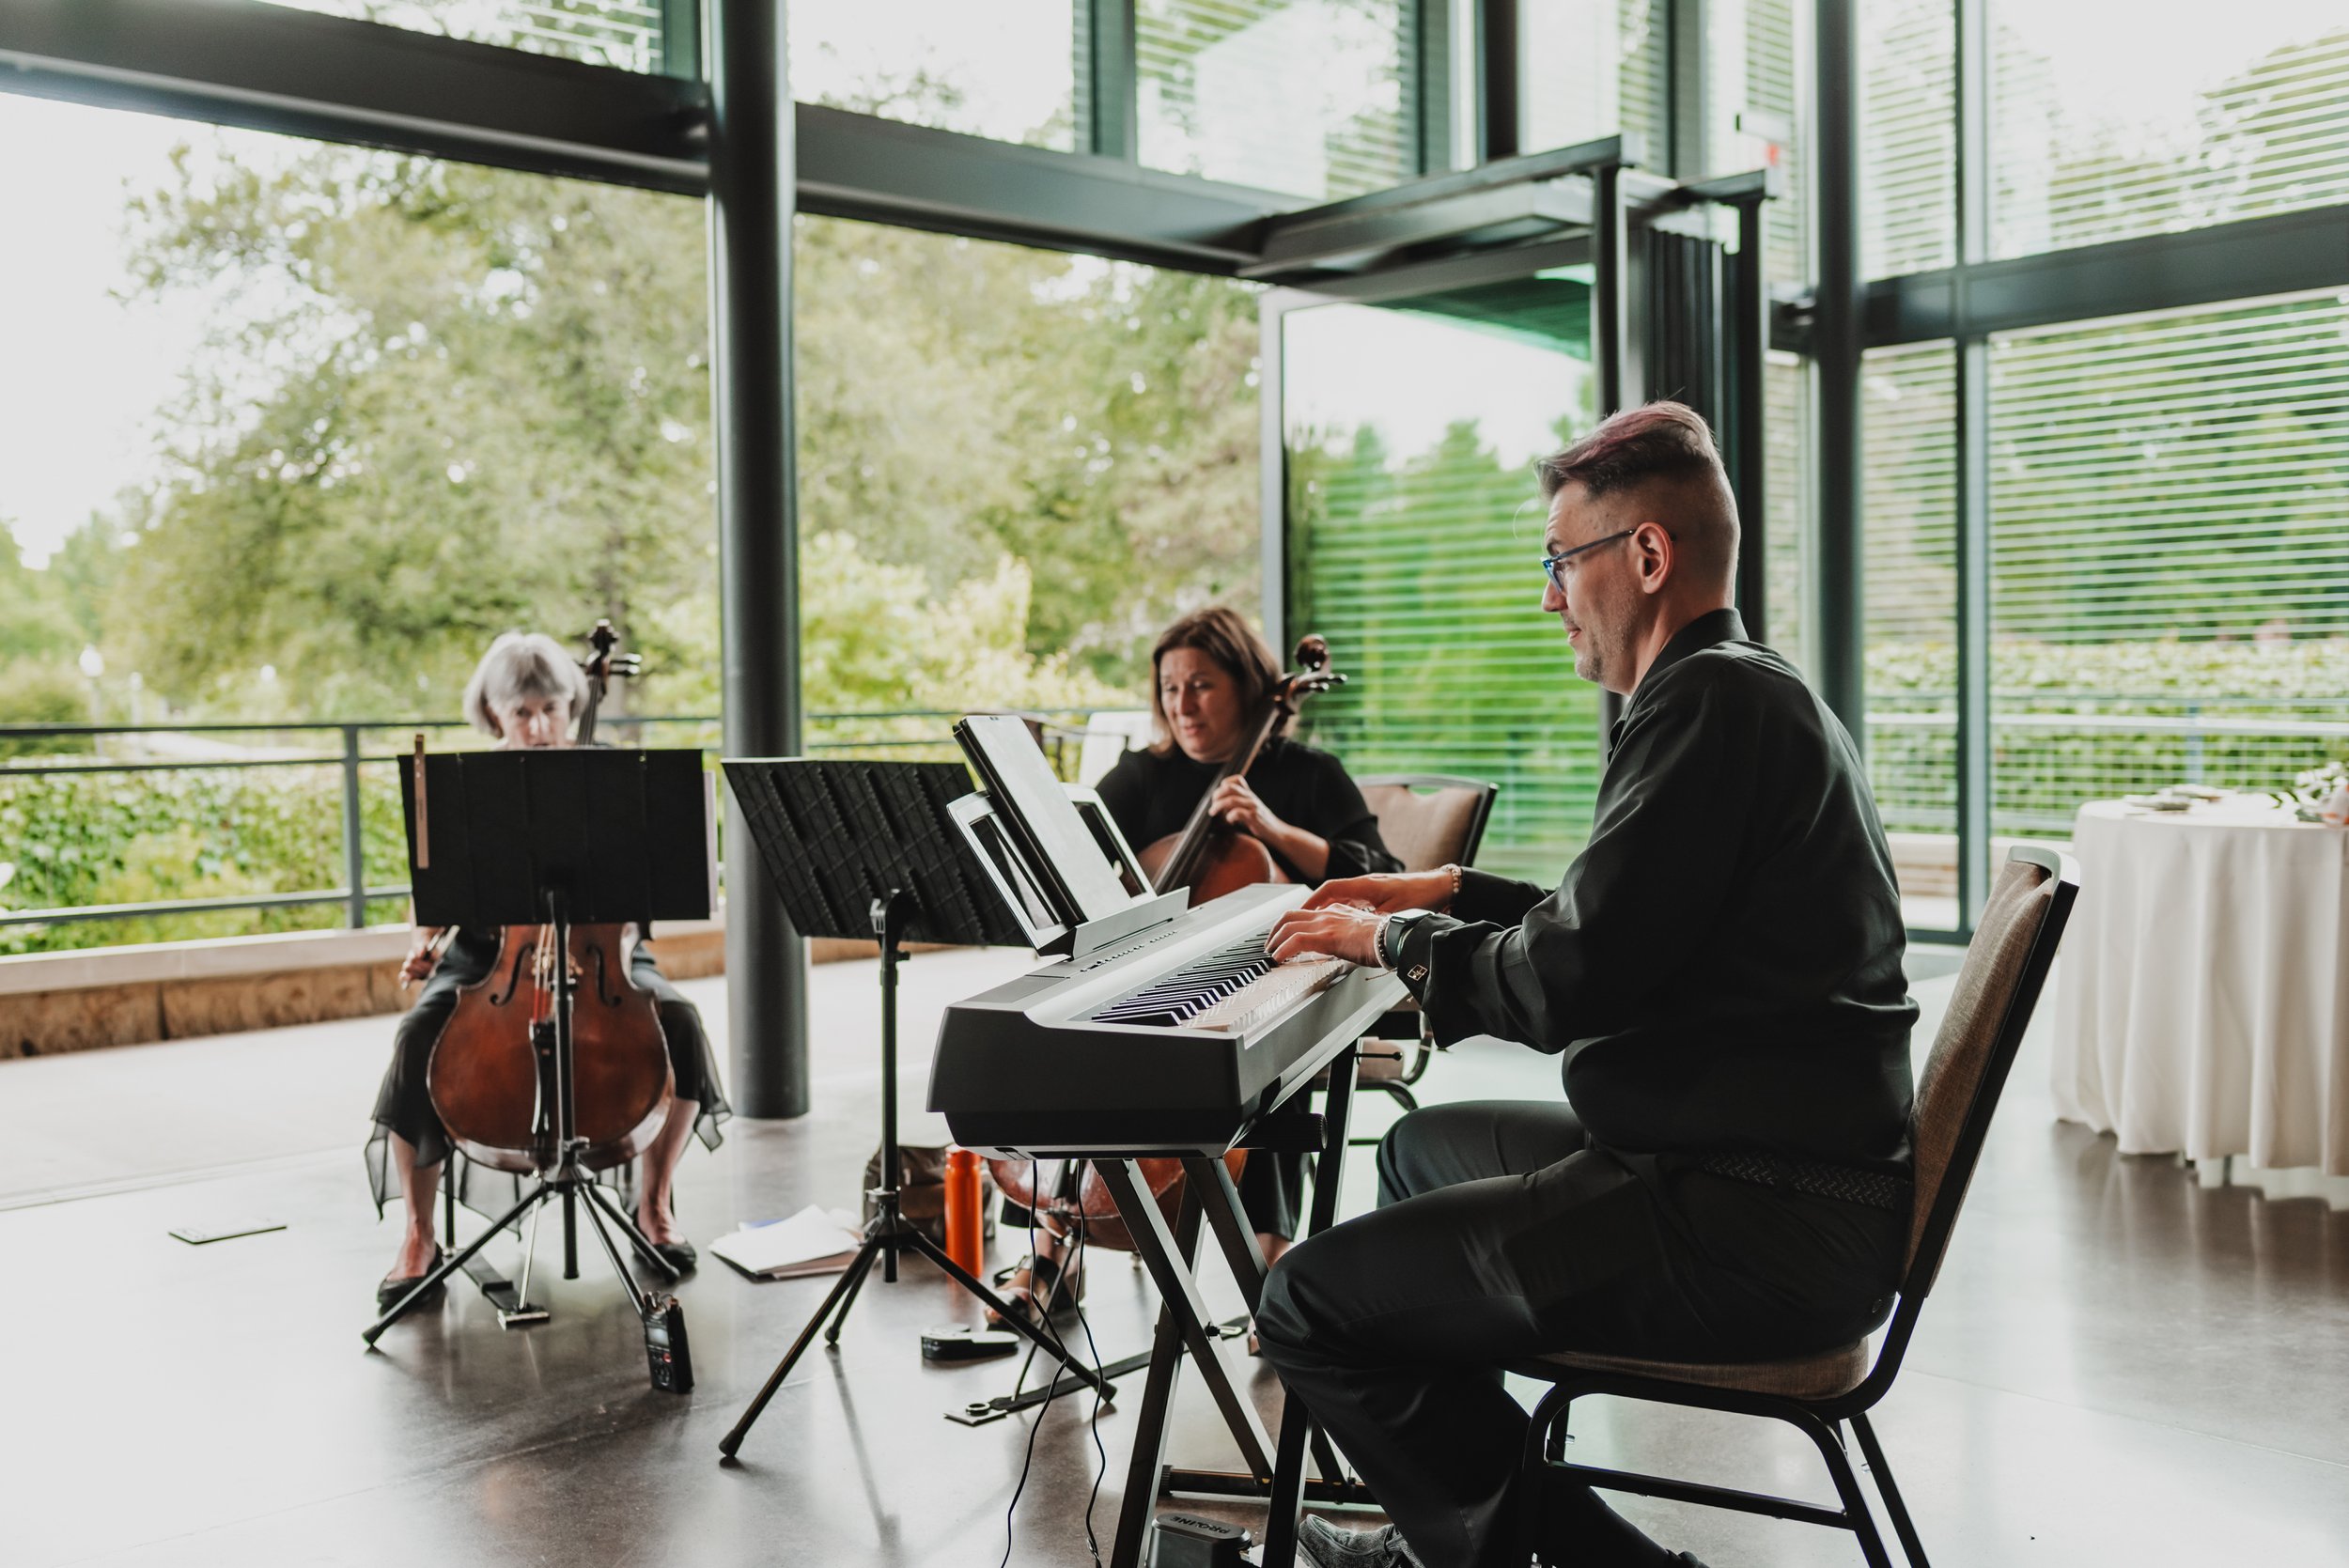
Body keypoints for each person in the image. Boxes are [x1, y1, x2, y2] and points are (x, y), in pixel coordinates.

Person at [1257, 402, 1917, 1568]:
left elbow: (1567, 982)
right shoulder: (1735, 692)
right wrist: (1444, 889)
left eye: (1561, 560)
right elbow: (1619, 925)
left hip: (1745, 1214)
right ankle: (1460, 1527)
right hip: (1747, 1169)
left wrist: (1383, 947)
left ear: (1646, 557)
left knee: (1308, 1304)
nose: (1548, 593)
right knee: (1416, 1157)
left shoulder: (1707, 707)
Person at [990, 606, 1402, 1328]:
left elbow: (1379, 875)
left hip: (1276, 981)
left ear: (1247, 684)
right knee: (1058, 1041)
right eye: (1171, 687)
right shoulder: (1143, 777)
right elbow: (1072, 865)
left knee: (1272, 1064)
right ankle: (1055, 1253)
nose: (1183, 704)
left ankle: (1271, 1266)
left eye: (1202, 685)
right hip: (1154, 986)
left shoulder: (1306, 775)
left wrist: (1273, 831)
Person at [366, 631, 731, 1311]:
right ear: (494, 714)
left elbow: (647, 886)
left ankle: (654, 1204)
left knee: (679, 1020)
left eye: (554, 710)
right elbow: (434, 893)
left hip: (600, 955)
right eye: (523, 713)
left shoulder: (610, 778)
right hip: (488, 959)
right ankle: (418, 1236)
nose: (541, 727)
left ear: (573, 704)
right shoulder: (469, 790)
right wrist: (425, 941)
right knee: (419, 1034)